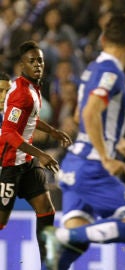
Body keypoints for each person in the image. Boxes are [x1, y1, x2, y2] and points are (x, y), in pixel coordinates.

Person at [41, 13, 125, 270]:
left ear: (102, 40)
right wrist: (107, 156)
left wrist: (116, 143)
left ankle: (62, 241)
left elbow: (79, 115)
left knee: (73, 247)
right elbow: (89, 113)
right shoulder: (112, 72)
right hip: (91, 168)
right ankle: (60, 235)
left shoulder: (92, 68)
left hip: (75, 164)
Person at [0, 40, 72, 268]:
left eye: (39, 60)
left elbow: (29, 119)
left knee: (46, 211)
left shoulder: (33, 89)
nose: (37, 64)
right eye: (31, 61)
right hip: (9, 166)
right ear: (22, 65)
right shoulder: (20, 93)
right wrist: (41, 153)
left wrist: (52, 130)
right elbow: (8, 134)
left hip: (28, 164)